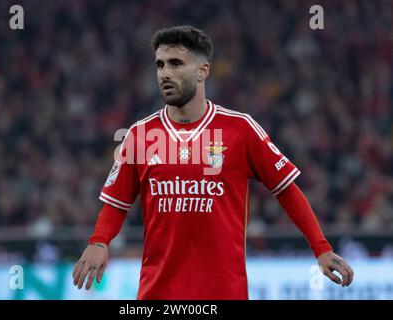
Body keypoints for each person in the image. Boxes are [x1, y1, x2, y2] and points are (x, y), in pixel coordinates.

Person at [72, 25, 354, 299]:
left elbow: (286, 190)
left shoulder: (240, 129)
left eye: (176, 63)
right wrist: (99, 240)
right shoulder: (139, 135)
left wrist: (321, 247)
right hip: (158, 295)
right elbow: (116, 204)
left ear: (202, 70)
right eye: (160, 65)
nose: (165, 74)